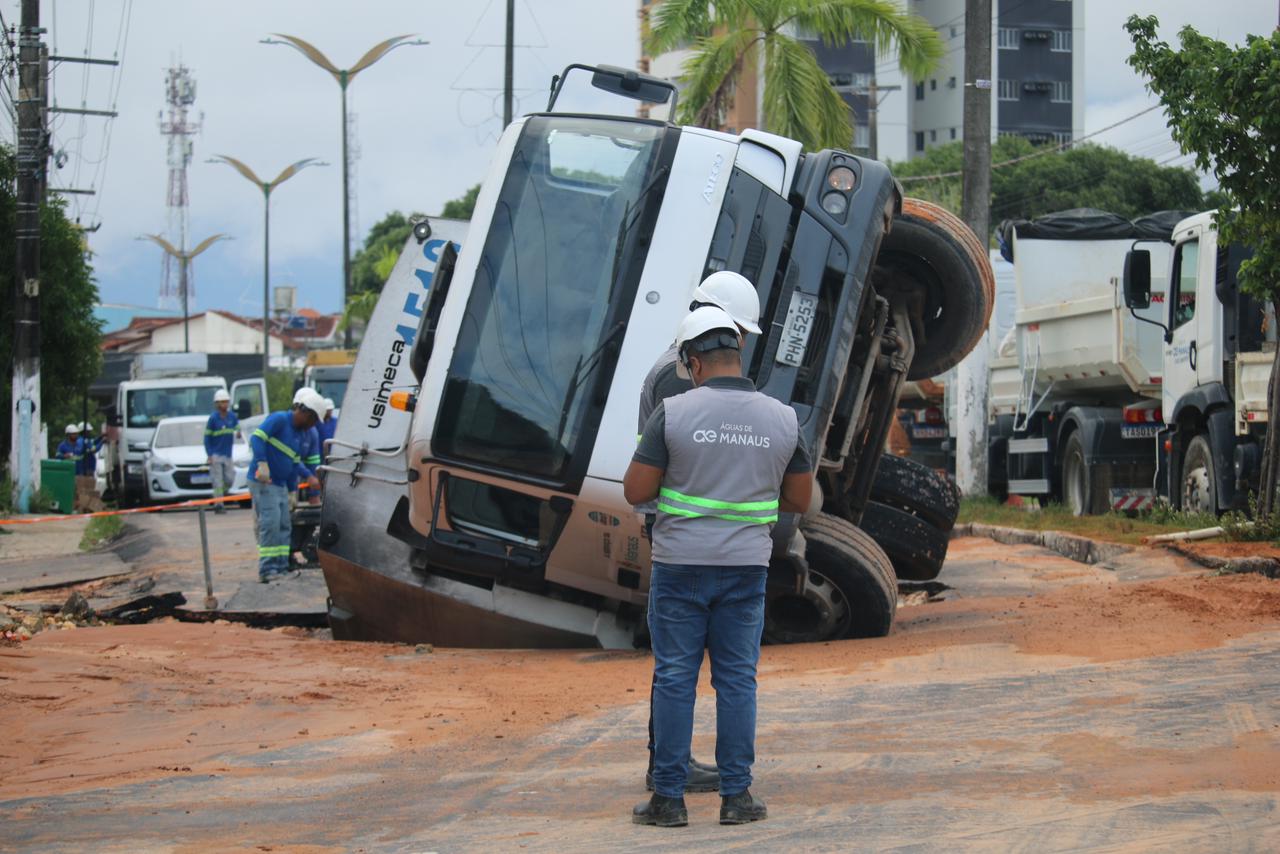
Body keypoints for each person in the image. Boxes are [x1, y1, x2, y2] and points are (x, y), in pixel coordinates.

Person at [624, 306, 812, 828]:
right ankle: (736, 798)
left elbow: (636, 490)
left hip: (680, 567)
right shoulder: (783, 418)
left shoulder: (675, 413)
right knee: (736, 682)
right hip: (745, 571)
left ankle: (668, 800)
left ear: (692, 363)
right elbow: (799, 498)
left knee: (676, 678)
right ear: (738, 355)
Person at [635, 270, 764, 796]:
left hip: (687, 537)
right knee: (688, 670)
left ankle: (672, 766)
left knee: (677, 666)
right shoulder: (678, 376)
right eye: (731, 331)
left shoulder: (675, 366)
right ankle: (670, 766)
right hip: (693, 539)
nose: (732, 344)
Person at [248, 389, 324, 582]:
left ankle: (281, 566)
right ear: (305, 413)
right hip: (265, 481)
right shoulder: (280, 419)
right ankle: (267, 570)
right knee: (271, 524)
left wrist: (292, 491)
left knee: (284, 525)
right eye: (314, 420)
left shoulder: (300, 434)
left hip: (281, 485)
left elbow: (293, 463)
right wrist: (261, 463)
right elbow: (257, 438)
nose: (313, 426)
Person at [204, 389, 240, 515]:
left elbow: (237, 426)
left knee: (230, 479)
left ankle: (218, 496)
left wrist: (239, 432)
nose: (224, 404)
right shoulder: (213, 419)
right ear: (217, 404)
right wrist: (209, 454)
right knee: (218, 481)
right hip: (216, 455)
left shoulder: (232, 417)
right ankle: (219, 504)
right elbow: (207, 438)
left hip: (228, 454)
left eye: (226, 402)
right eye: (221, 402)